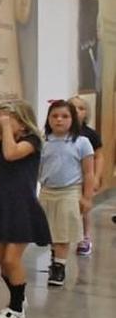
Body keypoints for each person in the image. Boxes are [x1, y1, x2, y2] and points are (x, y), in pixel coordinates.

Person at [0, 101, 50, 318]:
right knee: (2, 261)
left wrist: (6, 129)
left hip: (22, 206)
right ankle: (17, 299)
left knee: (12, 259)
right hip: (2, 205)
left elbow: (10, 154)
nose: (3, 124)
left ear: (22, 122)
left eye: (8, 119)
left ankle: (17, 308)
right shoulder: (4, 142)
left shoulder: (32, 141)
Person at [38, 100, 95, 287]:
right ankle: (55, 257)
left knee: (63, 232)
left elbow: (88, 172)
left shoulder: (82, 142)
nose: (59, 120)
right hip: (47, 192)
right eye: (54, 116)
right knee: (50, 231)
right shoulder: (43, 141)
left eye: (65, 116)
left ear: (73, 119)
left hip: (69, 192)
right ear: (48, 119)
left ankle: (59, 267)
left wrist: (87, 197)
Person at [69, 96, 104, 256]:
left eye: (81, 108)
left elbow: (99, 156)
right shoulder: (61, 133)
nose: (77, 111)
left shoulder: (90, 134)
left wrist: (96, 176)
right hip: (67, 178)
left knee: (84, 209)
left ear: (86, 113)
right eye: (73, 107)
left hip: (85, 177)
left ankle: (85, 237)